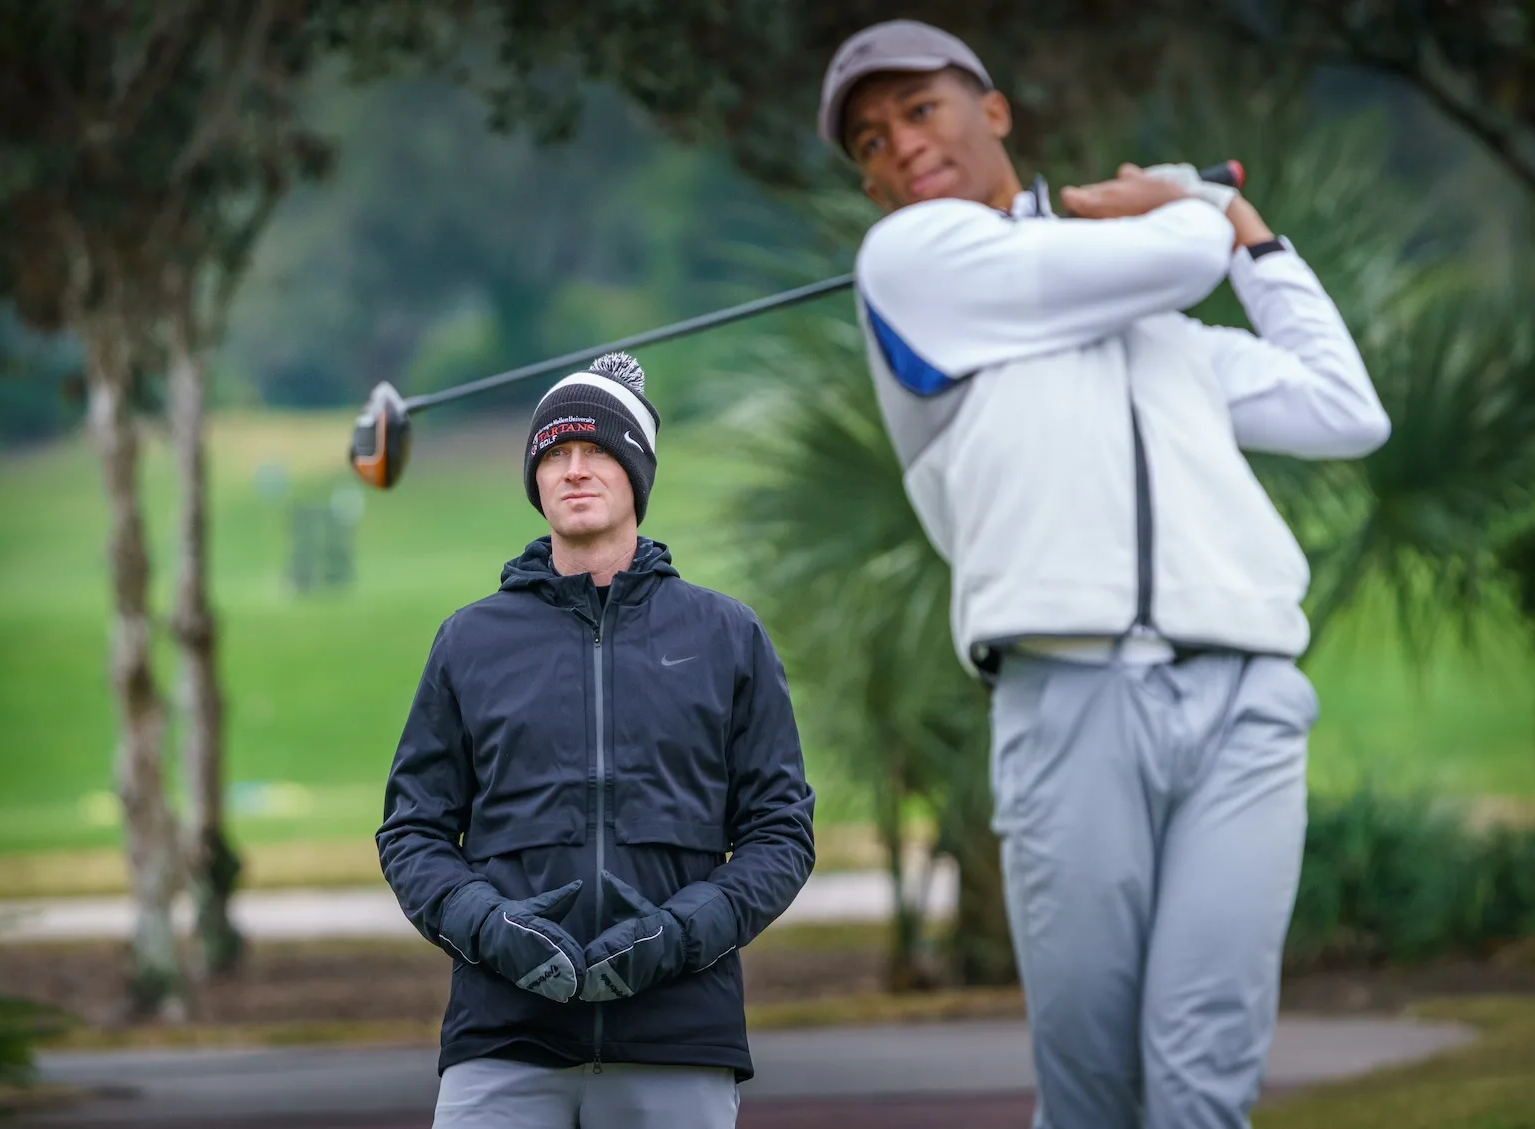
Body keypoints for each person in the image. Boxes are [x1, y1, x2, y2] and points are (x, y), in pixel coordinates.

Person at [817, 20, 1391, 1129]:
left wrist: (1257, 240)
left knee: (1203, 1080)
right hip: (1072, 698)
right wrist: (1192, 205)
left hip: (1246, 705)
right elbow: (1173, 253)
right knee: (1093, 1095)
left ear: (993, 111)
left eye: (919, 111)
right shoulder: (910, 268)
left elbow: (1344, 408)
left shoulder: (1168, 339)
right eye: (871, 144)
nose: (898, 146)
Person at [377, 351, 815, 1129]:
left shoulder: (727, 635)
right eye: (555, 454)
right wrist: (486, 925)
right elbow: (412, 830)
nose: (575, 470)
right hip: (503, 1043)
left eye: (598, 450)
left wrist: (680, 933)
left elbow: (781, 834)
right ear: (536, 481)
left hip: (679, 1040)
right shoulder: (469, 641)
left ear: (637, 472)